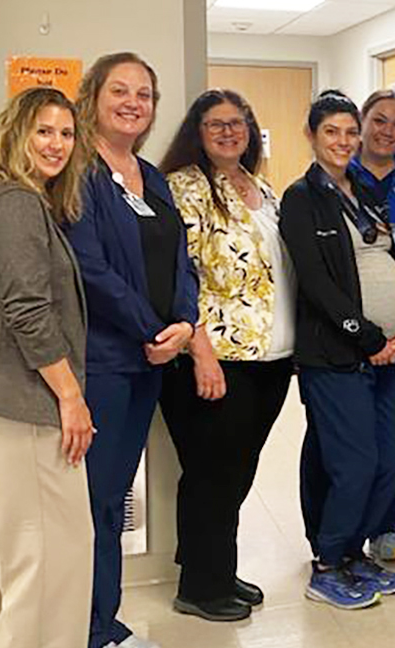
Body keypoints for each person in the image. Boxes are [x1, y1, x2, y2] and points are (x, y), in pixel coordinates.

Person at [66, 53, 199, 648]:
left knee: (114, 494)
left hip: (151, 362)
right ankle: (88, 628)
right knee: (91, 501)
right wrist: (155, 330)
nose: (132, 102)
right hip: (104, 363)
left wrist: (187, 324)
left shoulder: (155, 176)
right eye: (119, 90)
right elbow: (90, 269)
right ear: (92, 96)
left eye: (144, 93)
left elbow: (180, 261)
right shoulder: (78, 174)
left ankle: (106, 620)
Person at [158, 89, 295, 621]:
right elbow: (179, 275)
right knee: (212, 473)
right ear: (197, 131)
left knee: (237, 470)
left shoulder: (261, 186)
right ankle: (200, 587)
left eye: (236, 122)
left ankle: (214, 565)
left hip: (271, 358)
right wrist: (201, 352)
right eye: (215, 124)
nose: (227, 132)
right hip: (217, 358)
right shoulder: (184, 188)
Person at [281, 90, 395, 610]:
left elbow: (388, 257)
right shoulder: (300, 197)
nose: (343, 141)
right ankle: (328, 563)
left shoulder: (358, 189)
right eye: (331, 131)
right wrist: (371, 337)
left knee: (379, 458)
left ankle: (353, 551)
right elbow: (316, 283)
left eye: (349, 132)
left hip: (380, 352)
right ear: (312, 135)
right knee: (353, 463)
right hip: (333, 353)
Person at [0, 87, 94, 648]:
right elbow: (27, 309)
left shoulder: (14, 199)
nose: (56, 143)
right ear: (17, 132)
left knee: (9, 567)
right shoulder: (14, 202)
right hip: (29, 405)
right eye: (43, 131)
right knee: (50, 567)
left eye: (66, 132)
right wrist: (70, 397)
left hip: (5, 406)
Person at [350, 89, 395, 565]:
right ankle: (336, 532)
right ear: (362, 122)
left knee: (393, 439)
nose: (388, 131)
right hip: (344, 334)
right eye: (379, 120)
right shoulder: (337, 174)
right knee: (344, 441)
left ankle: (385, 526)